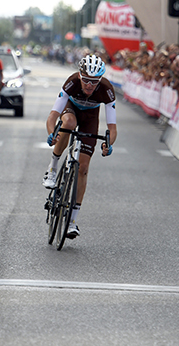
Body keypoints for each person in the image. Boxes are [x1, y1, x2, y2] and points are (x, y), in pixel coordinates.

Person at [43, 54, 117, 238]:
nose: (89, 86)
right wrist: (52, 133)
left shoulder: (107, 90)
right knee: (67, 123)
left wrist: (109, 144)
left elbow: (112, 127)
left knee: (83, 168)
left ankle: (72, 221)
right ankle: (52, 168)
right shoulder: (72, 82)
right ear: (79, 75)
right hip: (71, 109)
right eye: (86, 80)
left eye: (94, 82)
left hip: (90, 118)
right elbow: (53, 116)